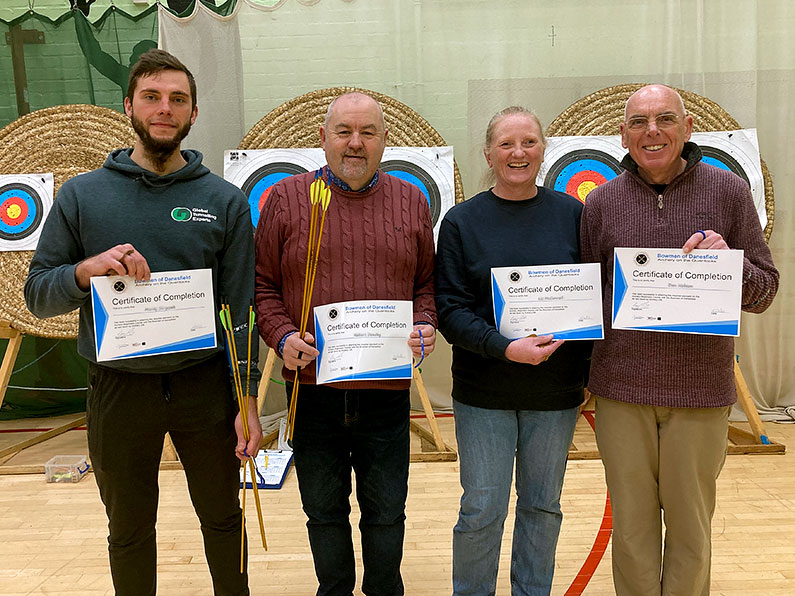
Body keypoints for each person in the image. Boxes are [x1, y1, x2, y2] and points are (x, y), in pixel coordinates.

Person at [24, 49, 262, 596]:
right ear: (128, 105)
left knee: (224, 522)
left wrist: (247, 397)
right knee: (129, 529)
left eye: (178, 99)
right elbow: (38, 294)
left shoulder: (222, 200)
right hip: (118, 388)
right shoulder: (82, 195)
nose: (164, 108)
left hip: (204, 385)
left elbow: (239, 308)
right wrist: (84, 272)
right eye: (152, 97)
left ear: (194, 113)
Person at [580, 84, 779, 596]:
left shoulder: (729, 191)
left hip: (699, 394)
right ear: (622, 134)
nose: (652, 131)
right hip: (621, 393)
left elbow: (765, 290)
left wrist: (726, 265)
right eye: (640, 121)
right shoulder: (600, 202)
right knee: (631, 527)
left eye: (665, 119)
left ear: (688, 128)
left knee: (692, 529)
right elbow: (590, 299)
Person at [254, 91, 437, 596]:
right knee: (323, 510)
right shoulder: (286, 199)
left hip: (385, 391)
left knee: (386, 511)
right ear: (323, 138)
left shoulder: (411, 199)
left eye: (368, 132)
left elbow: (426, 285)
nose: (355, 143)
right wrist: (282, 335)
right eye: (344, 132)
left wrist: (425, 324)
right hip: (310, 391)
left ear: (384, 140)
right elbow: (262, 285)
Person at [435, 106, 591, 596]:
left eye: (528, 142)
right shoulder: (462, 221)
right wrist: (505, 349)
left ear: (544, 150)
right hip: (485, 391)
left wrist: (583, 365)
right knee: (481, 507)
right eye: (506, 144)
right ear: (488, 154)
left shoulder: (573, 214)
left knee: (543, 505)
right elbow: (451, 310)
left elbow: (592, 294)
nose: (518, 153)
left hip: (556, 389)